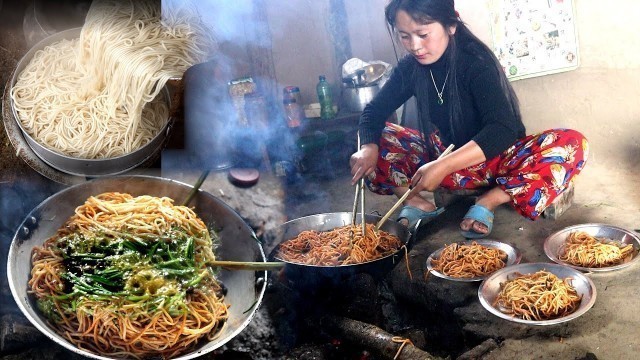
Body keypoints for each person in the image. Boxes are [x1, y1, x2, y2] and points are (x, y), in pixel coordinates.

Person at [349, 0, 588, 238]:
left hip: (496, 163)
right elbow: (373, 112)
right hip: (439, 162)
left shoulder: (476, 62)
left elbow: (502, 129)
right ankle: (417, 203)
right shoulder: (410, 67)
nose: (415, 46)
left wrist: (443, 166)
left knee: (572, 143)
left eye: (422, 34)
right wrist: (368, 148)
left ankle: (489, 201)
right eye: (404, 36)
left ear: (450, 25)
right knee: (371, 139)